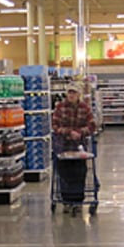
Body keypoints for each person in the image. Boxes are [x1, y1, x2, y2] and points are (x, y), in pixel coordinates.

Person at [51, 86, 95, 214]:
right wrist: (69, 132)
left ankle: (78, 201)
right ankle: (67, 201)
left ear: (78, 94)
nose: (71, 95)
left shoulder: (85, 108)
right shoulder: (60, 107)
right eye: (69, 92)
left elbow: (92, 125)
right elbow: (54, 125)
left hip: (79, 147)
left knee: (79, 172)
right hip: (63, 146)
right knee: (64, 173)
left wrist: (80, 133)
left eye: (74, 92)